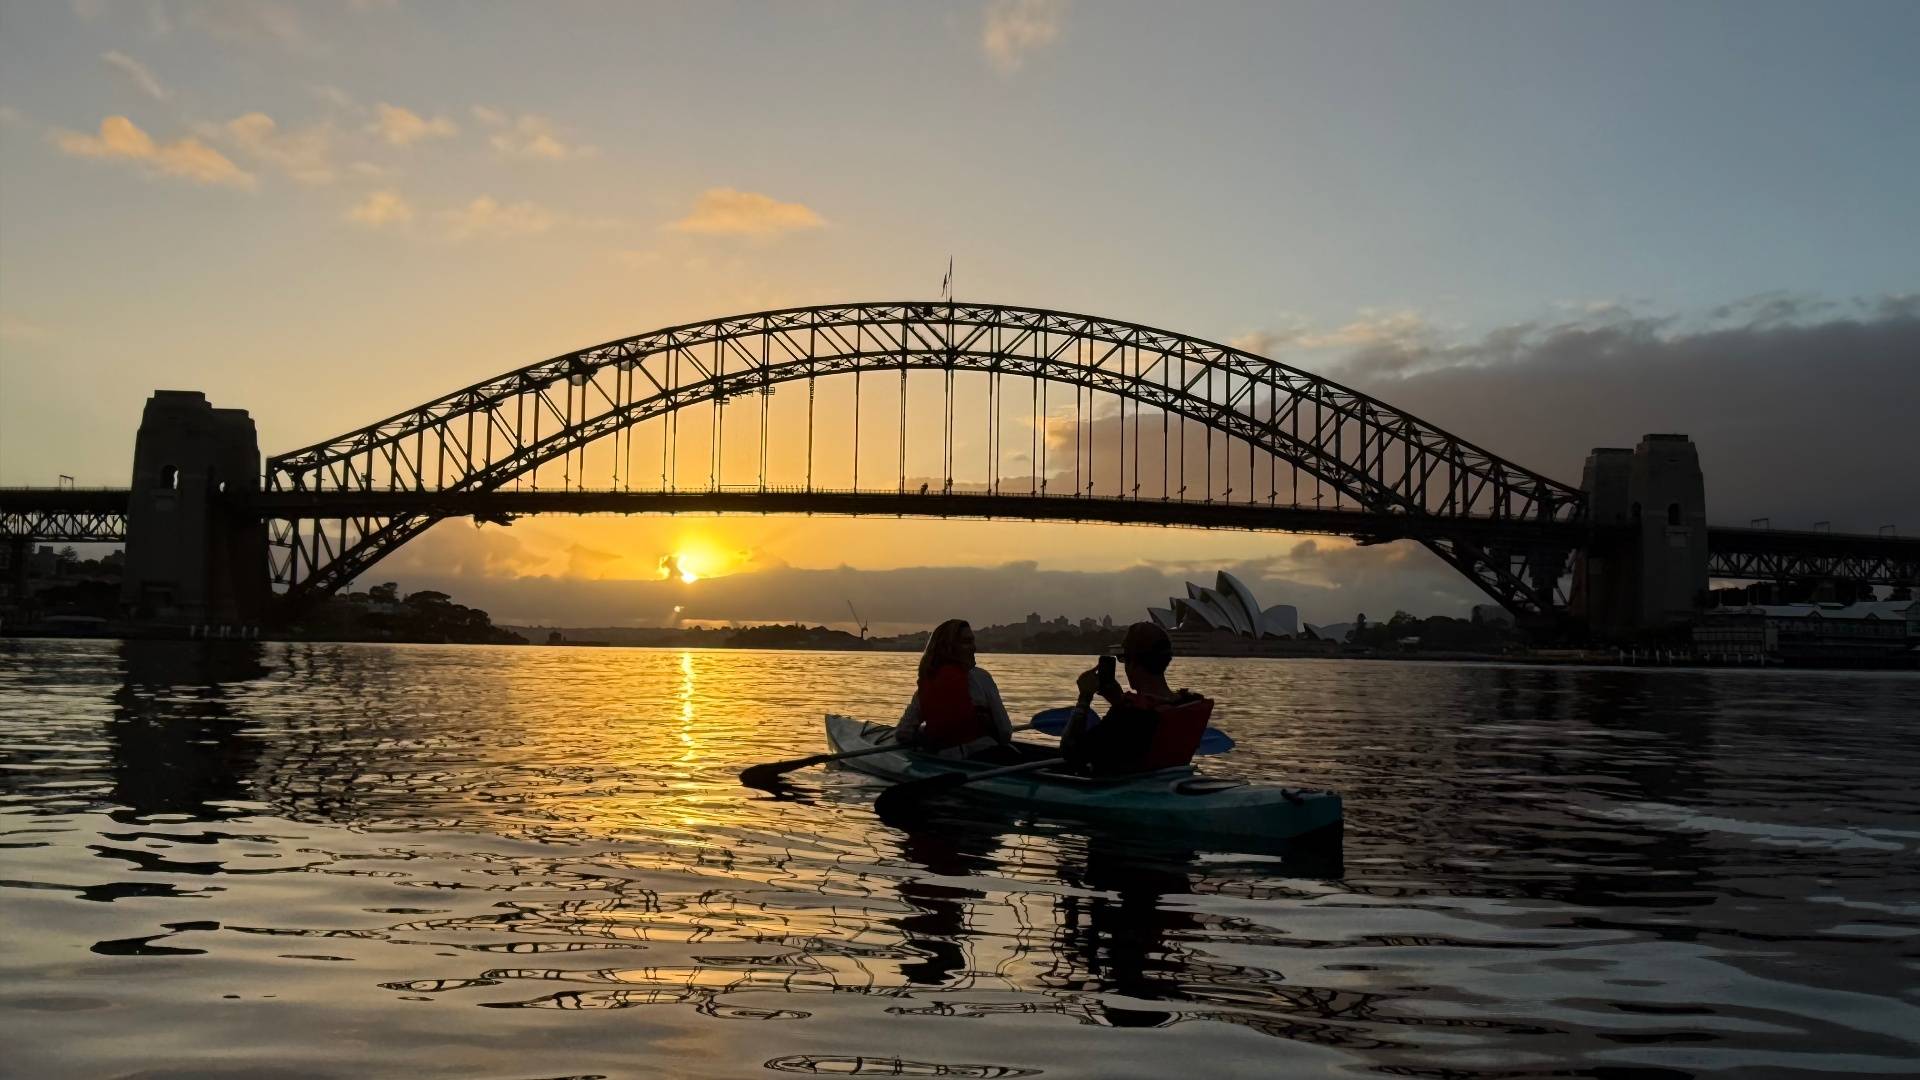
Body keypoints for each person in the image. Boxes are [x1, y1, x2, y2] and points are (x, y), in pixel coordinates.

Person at [1062, 621, 1213, 776]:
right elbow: (1138, 736)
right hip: (1168, 782)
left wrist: (1084, 698)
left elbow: (1072, 751)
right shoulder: (1187, 703)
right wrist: (1118, 701)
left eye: (1123, 658)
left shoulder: (1131, 715)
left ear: (1132, 662)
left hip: (1120, 791)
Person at [896, 619, 1015, 759]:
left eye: (972, 641)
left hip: (946, 759)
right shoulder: (981, 678)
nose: (974, 647)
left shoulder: (928, 683)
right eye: (967, 642)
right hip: (988, 755)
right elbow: (1005, 732)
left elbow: (903, 733)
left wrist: (926, 735)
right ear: (949, 647)